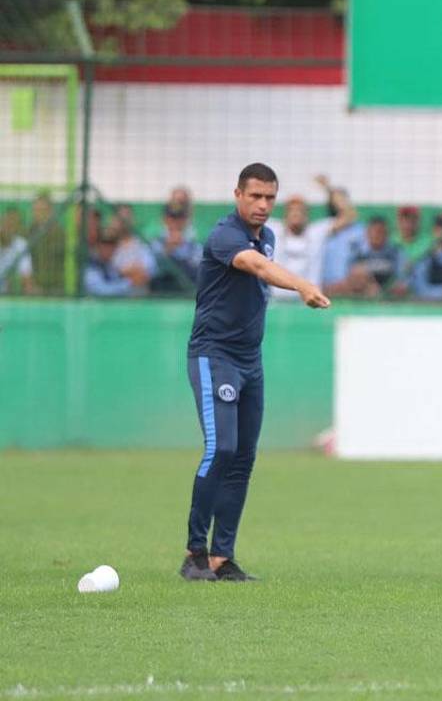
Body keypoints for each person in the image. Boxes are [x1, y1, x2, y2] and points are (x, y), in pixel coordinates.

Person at [180, 163, 330, 582]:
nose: (263, 205)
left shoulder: (268, 236)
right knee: (221, 449)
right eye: (256, 196)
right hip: (214, 357)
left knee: (243, 457)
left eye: (270, 198)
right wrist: (301, 284)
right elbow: (260, 269)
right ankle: (194, 551)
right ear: (238, 195)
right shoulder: (226, 235)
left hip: (250, 360)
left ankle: (221, 558)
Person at [265, 190, 356, 302]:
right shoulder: (274, 229)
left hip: (310, 300)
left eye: (300, 210)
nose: (296, 213)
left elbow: (349, 215)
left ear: (306, 214)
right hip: (277, 300)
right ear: (285, 213)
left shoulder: (317, 232)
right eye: (292, 210)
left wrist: (328, 189)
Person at [150, 201, 204, 294]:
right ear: (165, 219)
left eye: (180, 218)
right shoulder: (156, 243)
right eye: (172, 218)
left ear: (185, 221)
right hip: (161, 290)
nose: (176, 222)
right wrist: (168, 248)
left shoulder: (193, 245)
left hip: (187, 291)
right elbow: (152, 268)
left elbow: (199, 266)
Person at [347, 216, 402, 298]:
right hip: (362, 298)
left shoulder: (395, 253)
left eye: (382, 232)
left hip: (389, 299)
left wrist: (384, 291)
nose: (378, 235)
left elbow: (402, 280)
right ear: (367, 233)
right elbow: (350, 278)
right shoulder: (357, 253)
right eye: (376, 231)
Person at [27, 192, 66, 294]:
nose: (38, 214)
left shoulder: (61, 235)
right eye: (36, 210)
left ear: (51, 211)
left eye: (42, 210)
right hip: (33, 289)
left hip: (57, 289)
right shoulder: (28, 233)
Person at [0, 207, 33, 294]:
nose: (9, 227)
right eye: (7, 223)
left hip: (8, 295)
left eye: (13, 224)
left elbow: (26, 276)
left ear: (18, 227)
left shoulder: (21, 245)